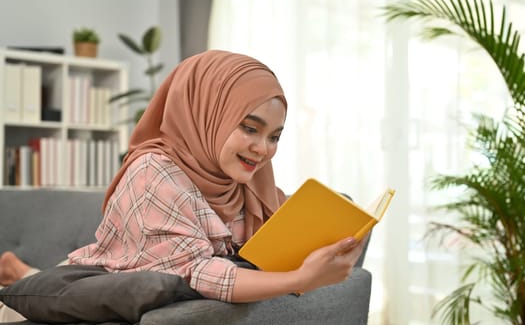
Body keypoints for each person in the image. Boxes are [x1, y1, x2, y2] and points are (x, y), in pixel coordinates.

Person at [1, 50, 367, 310]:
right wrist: (299, 280)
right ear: (207, 114)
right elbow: (197, 274)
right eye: (249, 128)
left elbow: (276, 236)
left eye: (274, 136)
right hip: (76, 302)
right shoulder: (152, 174)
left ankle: (23, 272)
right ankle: (24, 277)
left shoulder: (242, 181)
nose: (262, 149)